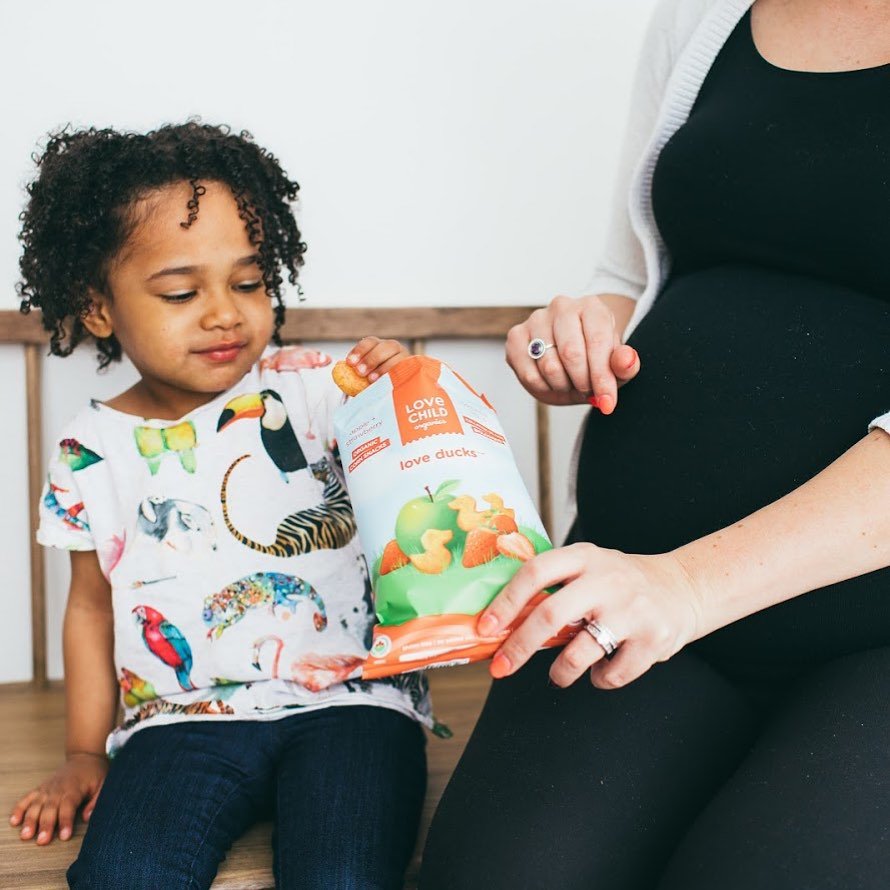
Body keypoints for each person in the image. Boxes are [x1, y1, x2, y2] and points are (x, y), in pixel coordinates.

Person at [420, 0, 890, 887]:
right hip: (631, 594)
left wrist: (686, 584)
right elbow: (632, 275)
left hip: (859, 637)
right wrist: (578, 334)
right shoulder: (703, 18)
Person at [8, 122, 430, 890]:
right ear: (97, 307)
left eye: (248, 282)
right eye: (180, 291)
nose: (225, 314)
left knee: (342, 877)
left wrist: (397, 388)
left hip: (353, 701)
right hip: (180, 720)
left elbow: (418, 475)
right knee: (122, 876)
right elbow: (92, 609)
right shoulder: (89, 452)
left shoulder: (314, 391)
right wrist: (81, 753)